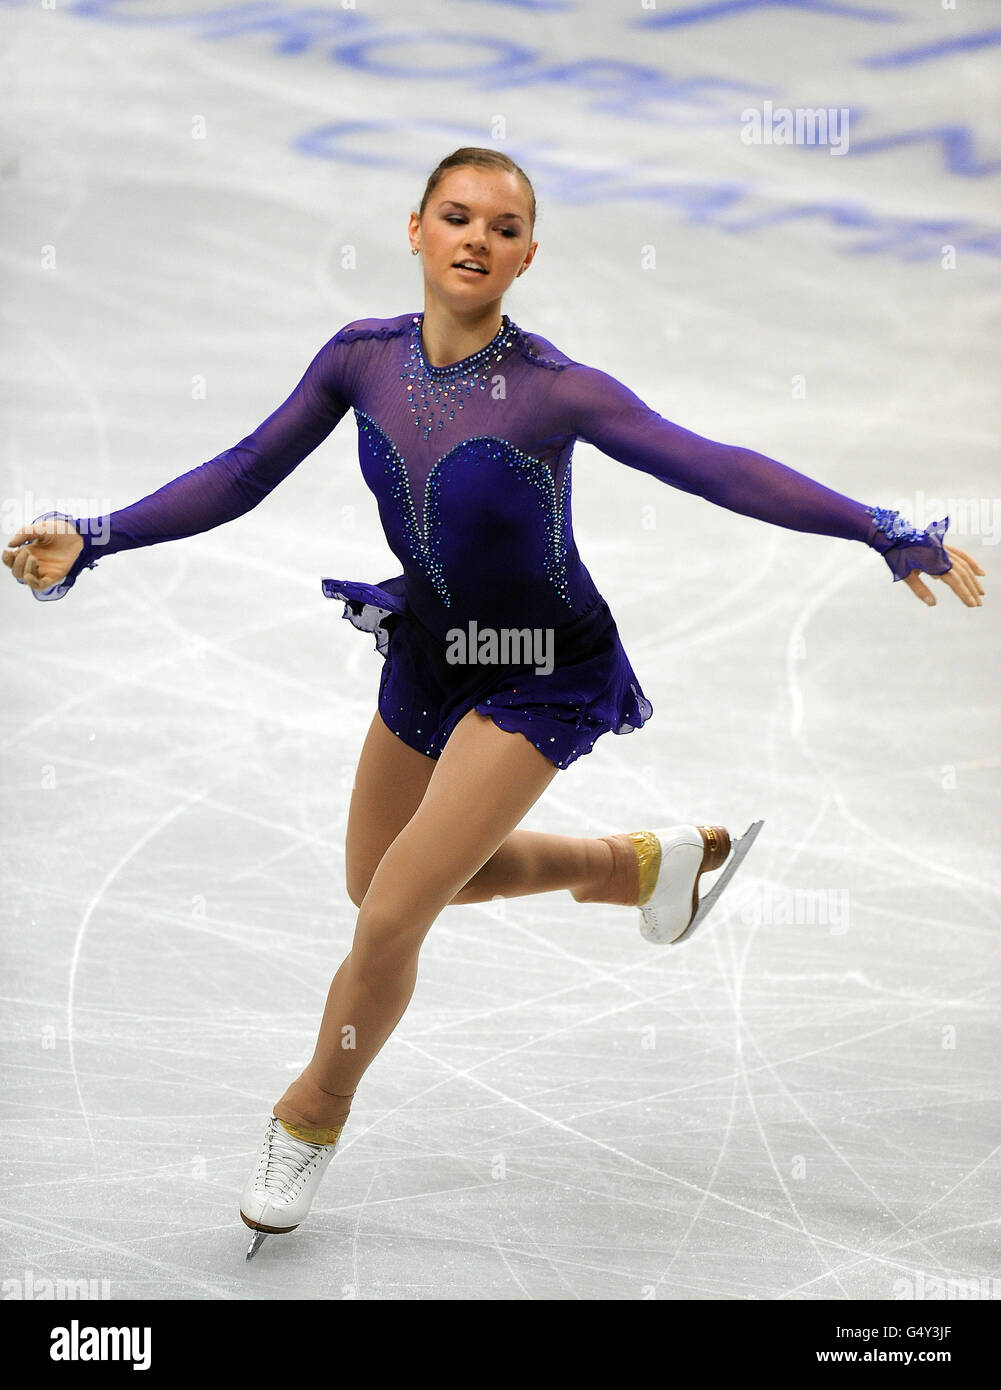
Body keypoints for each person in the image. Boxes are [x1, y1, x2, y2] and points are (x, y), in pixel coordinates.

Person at [4, 147, 985, 1261]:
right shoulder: (358, 362)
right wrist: (100, 533)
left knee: (389, 918)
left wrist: (873, 524)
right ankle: (632, 869)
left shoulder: (555, 390)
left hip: (538, 664)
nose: (476, 238)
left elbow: (710, 464)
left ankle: (312, 1106)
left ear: (525, 255)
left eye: (502, 226)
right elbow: (239, 473)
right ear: (413, 228)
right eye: (456, 216)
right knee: (377, 881)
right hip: (429, 650)